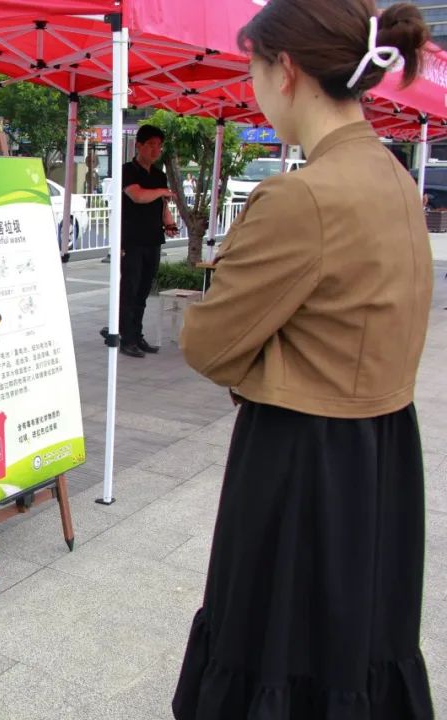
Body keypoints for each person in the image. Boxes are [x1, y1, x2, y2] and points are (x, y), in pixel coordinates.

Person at [172, 2, 434, 719]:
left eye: (254, 69)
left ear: (285, 70)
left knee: (278, 645)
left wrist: (269, 367)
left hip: (300, 462)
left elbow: (207, 342)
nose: (253, 87)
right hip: (380, 455)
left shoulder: (303, 196)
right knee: (352, 644)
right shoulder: (395, 180)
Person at [112, 125, 179, 358]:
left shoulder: (159, 175)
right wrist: (162, 192)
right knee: (129, 290)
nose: (155, 150)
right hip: (131, 240)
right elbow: (137, 195)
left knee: (143, 291)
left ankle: (137, 335)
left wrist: (169, 222)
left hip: (153, 239)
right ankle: (126, 338)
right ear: (138, 145)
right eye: (151, 145)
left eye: (159, 146)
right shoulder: (127, 171)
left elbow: (162, 205)